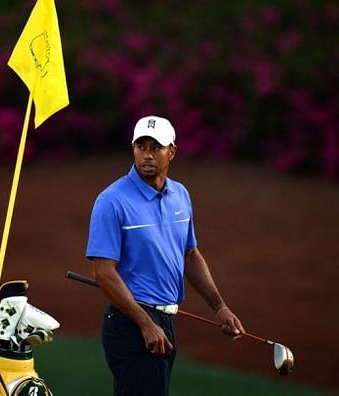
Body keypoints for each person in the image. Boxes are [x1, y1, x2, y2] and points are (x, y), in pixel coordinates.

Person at [85, 115, 245, 396]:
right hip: (130, 324)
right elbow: (104, 273)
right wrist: (145, 323)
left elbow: (191, 254)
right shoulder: (111, 201)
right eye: (140, 146)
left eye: (155, 148)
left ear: (172, 151)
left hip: (165, 322)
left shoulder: (180, 195)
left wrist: (220, 308)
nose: (147, 155)